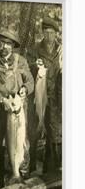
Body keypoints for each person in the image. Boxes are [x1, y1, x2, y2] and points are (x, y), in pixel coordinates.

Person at [0, 27, 34, 188]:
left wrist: (25, 89)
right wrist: (1, 99)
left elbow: (30, 81)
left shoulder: (21, 61)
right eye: (2, 43)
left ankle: (21, 178)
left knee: (21, 143)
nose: (4, 47)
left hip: (17, 112)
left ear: (13, 46)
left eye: (8, 44)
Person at [27, 16, 62, 173]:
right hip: (38, 98)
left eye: (51, 33)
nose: (48, 36)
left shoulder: (61, 50)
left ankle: (50, 170)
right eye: (46, 32)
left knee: (53, 133)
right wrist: (35, 66)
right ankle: (32, 167)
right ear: (42, 33)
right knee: (35, 132)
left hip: (55, 99)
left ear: (56, 34)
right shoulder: (35, 49)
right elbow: (26, 69)